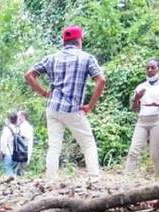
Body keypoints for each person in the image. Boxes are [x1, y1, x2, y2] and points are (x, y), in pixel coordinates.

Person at [24, 25, 106, 180]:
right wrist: (90, 105)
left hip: (53, 107)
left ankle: (50, 179)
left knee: (54, 146)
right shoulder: (86, 58)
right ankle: (94, 178)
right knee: (88, 143)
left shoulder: (52, 58)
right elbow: (101, 80)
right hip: (73, 109)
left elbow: (29, 75)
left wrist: (43, 92)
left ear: (64, 41)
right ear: (79, 40)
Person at [125, 58, 159, 177]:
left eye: (153, 67)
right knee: (133, 151)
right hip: (142, 121)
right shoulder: (141, 86)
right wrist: (136, 99)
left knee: (155, 153)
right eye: (147, 68)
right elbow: (135, 109)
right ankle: (127, 179)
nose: (149, 70)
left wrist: (157, 104)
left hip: (158, 120)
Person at [0, 112, 27, 177]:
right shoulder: (17, 129)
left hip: (8, 153)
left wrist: (2, 152)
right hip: (17, 154)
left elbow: (3, 141)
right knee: (13, 172)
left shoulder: (7, 129)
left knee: (8, 173)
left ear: (9, 119)